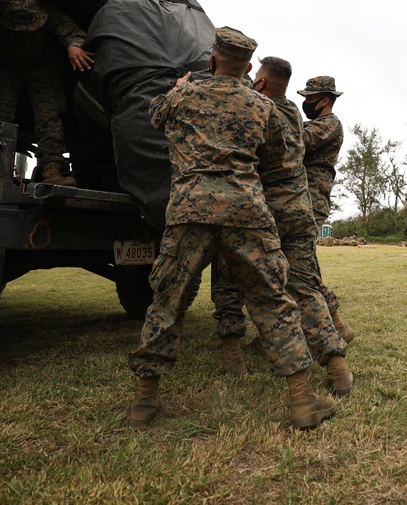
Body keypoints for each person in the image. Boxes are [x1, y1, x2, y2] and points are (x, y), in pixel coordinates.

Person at [127, 27, 335, 430]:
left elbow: (155, 115)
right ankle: (302, 400)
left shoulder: (183, 97)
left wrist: (177, 88)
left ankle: (145, 402)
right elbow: (276, 160)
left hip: (190, 211)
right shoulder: (264, 107)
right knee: (272, 300)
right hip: (247, 212)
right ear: (248, 68)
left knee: (167, 301)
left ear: (212, 60)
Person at [212, 56, 352, 397]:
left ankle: (237, 348)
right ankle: (337, 363)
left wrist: (236, 83)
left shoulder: (301, 120)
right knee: (303, 284)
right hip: (299, 209)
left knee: (235, 272)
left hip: (274, 210)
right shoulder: (286, 110)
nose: (306, 101)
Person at [0, 0, 94, 186]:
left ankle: (52, 169)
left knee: (49, 116)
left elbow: (70, 30)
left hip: (42, 66)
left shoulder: (41, 8)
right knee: (0, 116)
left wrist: (74, 45)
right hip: (3, 66)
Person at [298, 76, 354, 342]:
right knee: (302, 264)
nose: (304, 102)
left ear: (324, 100)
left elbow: (298, 141)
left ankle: (337, 326)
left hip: (312, 199)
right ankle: (338, 325)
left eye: (309, 98)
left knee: (303, 265)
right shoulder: (315, 123)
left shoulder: (330, 124)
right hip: (301, 197)